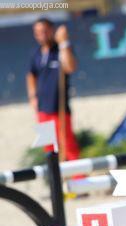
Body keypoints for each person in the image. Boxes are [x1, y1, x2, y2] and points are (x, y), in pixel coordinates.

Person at [26, 17, 80, 161]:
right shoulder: (36, 53)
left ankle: (78, 179)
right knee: (49, 149)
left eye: (44, 31)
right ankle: (55, 179)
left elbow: (70, 67)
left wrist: (63, 42)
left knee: (68, 147)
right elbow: (31, 75)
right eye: (38, 33)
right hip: (43, 111)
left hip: (59, 109)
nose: (41, 36)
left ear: (51, 31)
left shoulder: (61, 49)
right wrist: (32, 96)